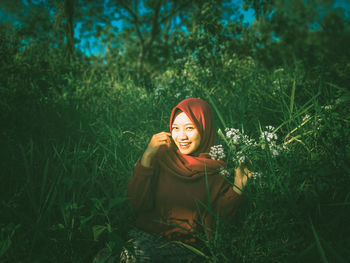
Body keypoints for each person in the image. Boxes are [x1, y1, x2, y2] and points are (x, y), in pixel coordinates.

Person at [121, 98, 251, 262]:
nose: (181, 136)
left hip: (184, 249)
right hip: (144, 237)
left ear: (205, 128)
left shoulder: (216, 172)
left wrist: (238, 188)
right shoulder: (162, 158)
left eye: (189, 128)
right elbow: (137, 203)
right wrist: (147, 156)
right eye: (175, 128)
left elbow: (215, 227)